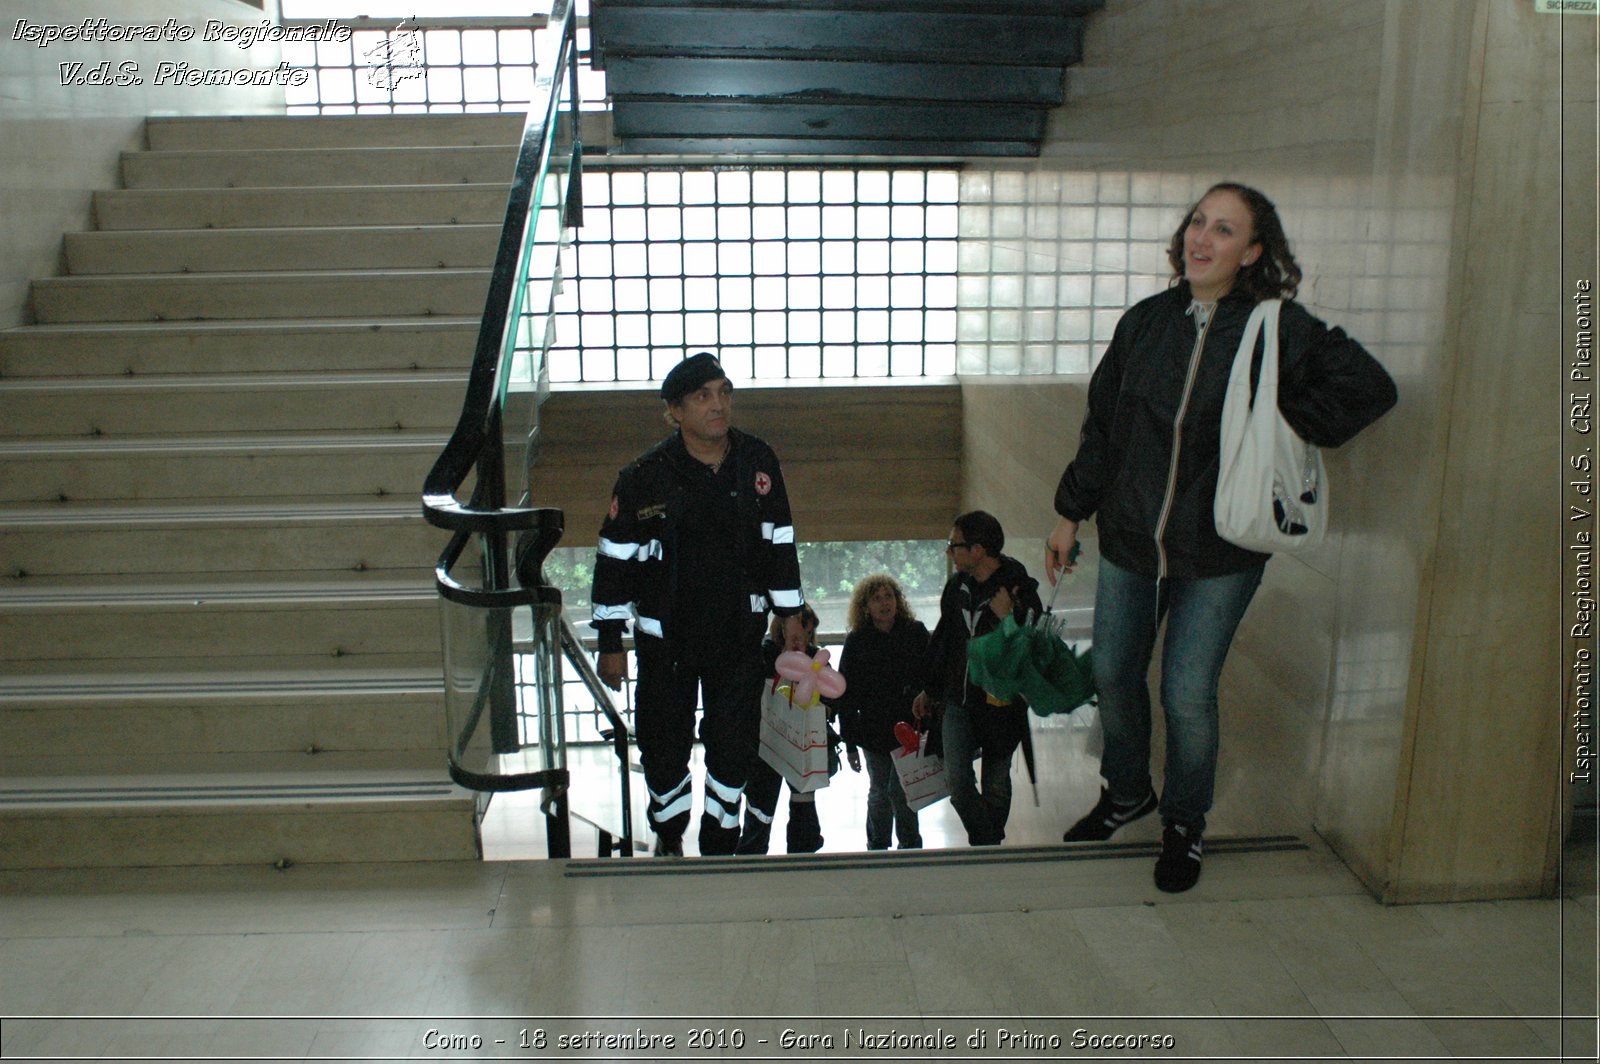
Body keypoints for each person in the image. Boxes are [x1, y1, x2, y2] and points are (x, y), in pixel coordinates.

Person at [1046, 182, 1397, 892]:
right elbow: (1104, 429)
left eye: (1225, 230)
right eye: (1198, 224)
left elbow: (1370, 388)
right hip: (1131, 540)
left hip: (1222, 550)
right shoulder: (1145, 323)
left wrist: (1282, 418)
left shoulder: (1275, 327)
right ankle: (1126, 793)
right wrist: (1068, 512)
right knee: (1112, 673)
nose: (1202, 239)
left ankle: (1184, 823)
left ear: (1254, 251)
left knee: (1186, 693)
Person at [590, 352, 806, 857]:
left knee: (732, 748)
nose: (719, 405)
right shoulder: (643, 476)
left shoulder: (758, 462)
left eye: (725, 392)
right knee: (664, 751)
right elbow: (614, 563)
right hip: (666, 645)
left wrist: (790, 613)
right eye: (703, 396)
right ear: (675, 412)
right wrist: (610, 642)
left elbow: (780, 542)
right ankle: (669, 831)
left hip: (737, 637)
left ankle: (719, 837)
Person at [913, 511, 1042, 847]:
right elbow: (944, 639)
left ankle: (988, 848)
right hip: (959, 699)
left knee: (996, 783)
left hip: (1002, 702)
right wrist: (930, 687)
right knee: (957, 782)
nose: (949, 552)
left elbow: (1035, 644)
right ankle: (987, 842)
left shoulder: (1018, 588)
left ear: (978, 550)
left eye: (954, 545)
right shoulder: (956, 588)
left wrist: (1007, 616)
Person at [837, 574, 929, 851]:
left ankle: (910, 846)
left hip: (912, 726)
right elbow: (845, 694)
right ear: (865, 607)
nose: (884, 603)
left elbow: (932, 676)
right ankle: (877, 846)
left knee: (903, 789)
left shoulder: (916, 632)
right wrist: (850, 744)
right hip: (874, 730)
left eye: (888, 596)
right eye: (876, 598)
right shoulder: (857, 641)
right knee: (880, 790)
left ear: (898, 601)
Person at [738, 604, 833, 855]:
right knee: (760, 803)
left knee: (802, 798)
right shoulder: (764, 654)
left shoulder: (817, 658)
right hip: (766, 742)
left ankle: (803, 849)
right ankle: (752, 852)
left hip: (799, 743)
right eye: (798, 629)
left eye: (807, 630)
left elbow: (833, 697)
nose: (802, 637)